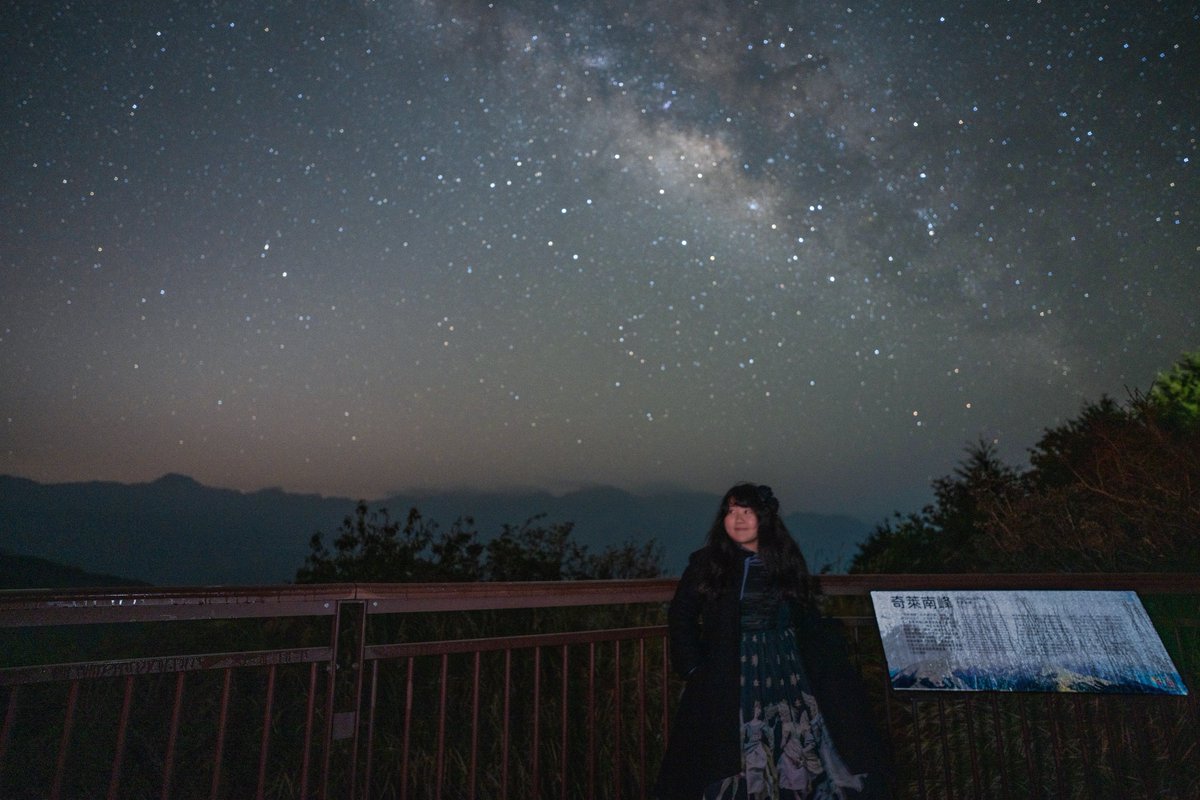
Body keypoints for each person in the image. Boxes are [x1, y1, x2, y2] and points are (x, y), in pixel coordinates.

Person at [655, 483, 891, 800]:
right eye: (731, 511)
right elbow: (681, 614)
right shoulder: (708, 563)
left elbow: (805, 615)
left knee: (800, 748)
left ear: (764, 518)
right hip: (733, 671)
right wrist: (694, 667)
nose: (737, 519)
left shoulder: (785, 560)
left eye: (747, 511)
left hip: (790, 670)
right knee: (734, 753)